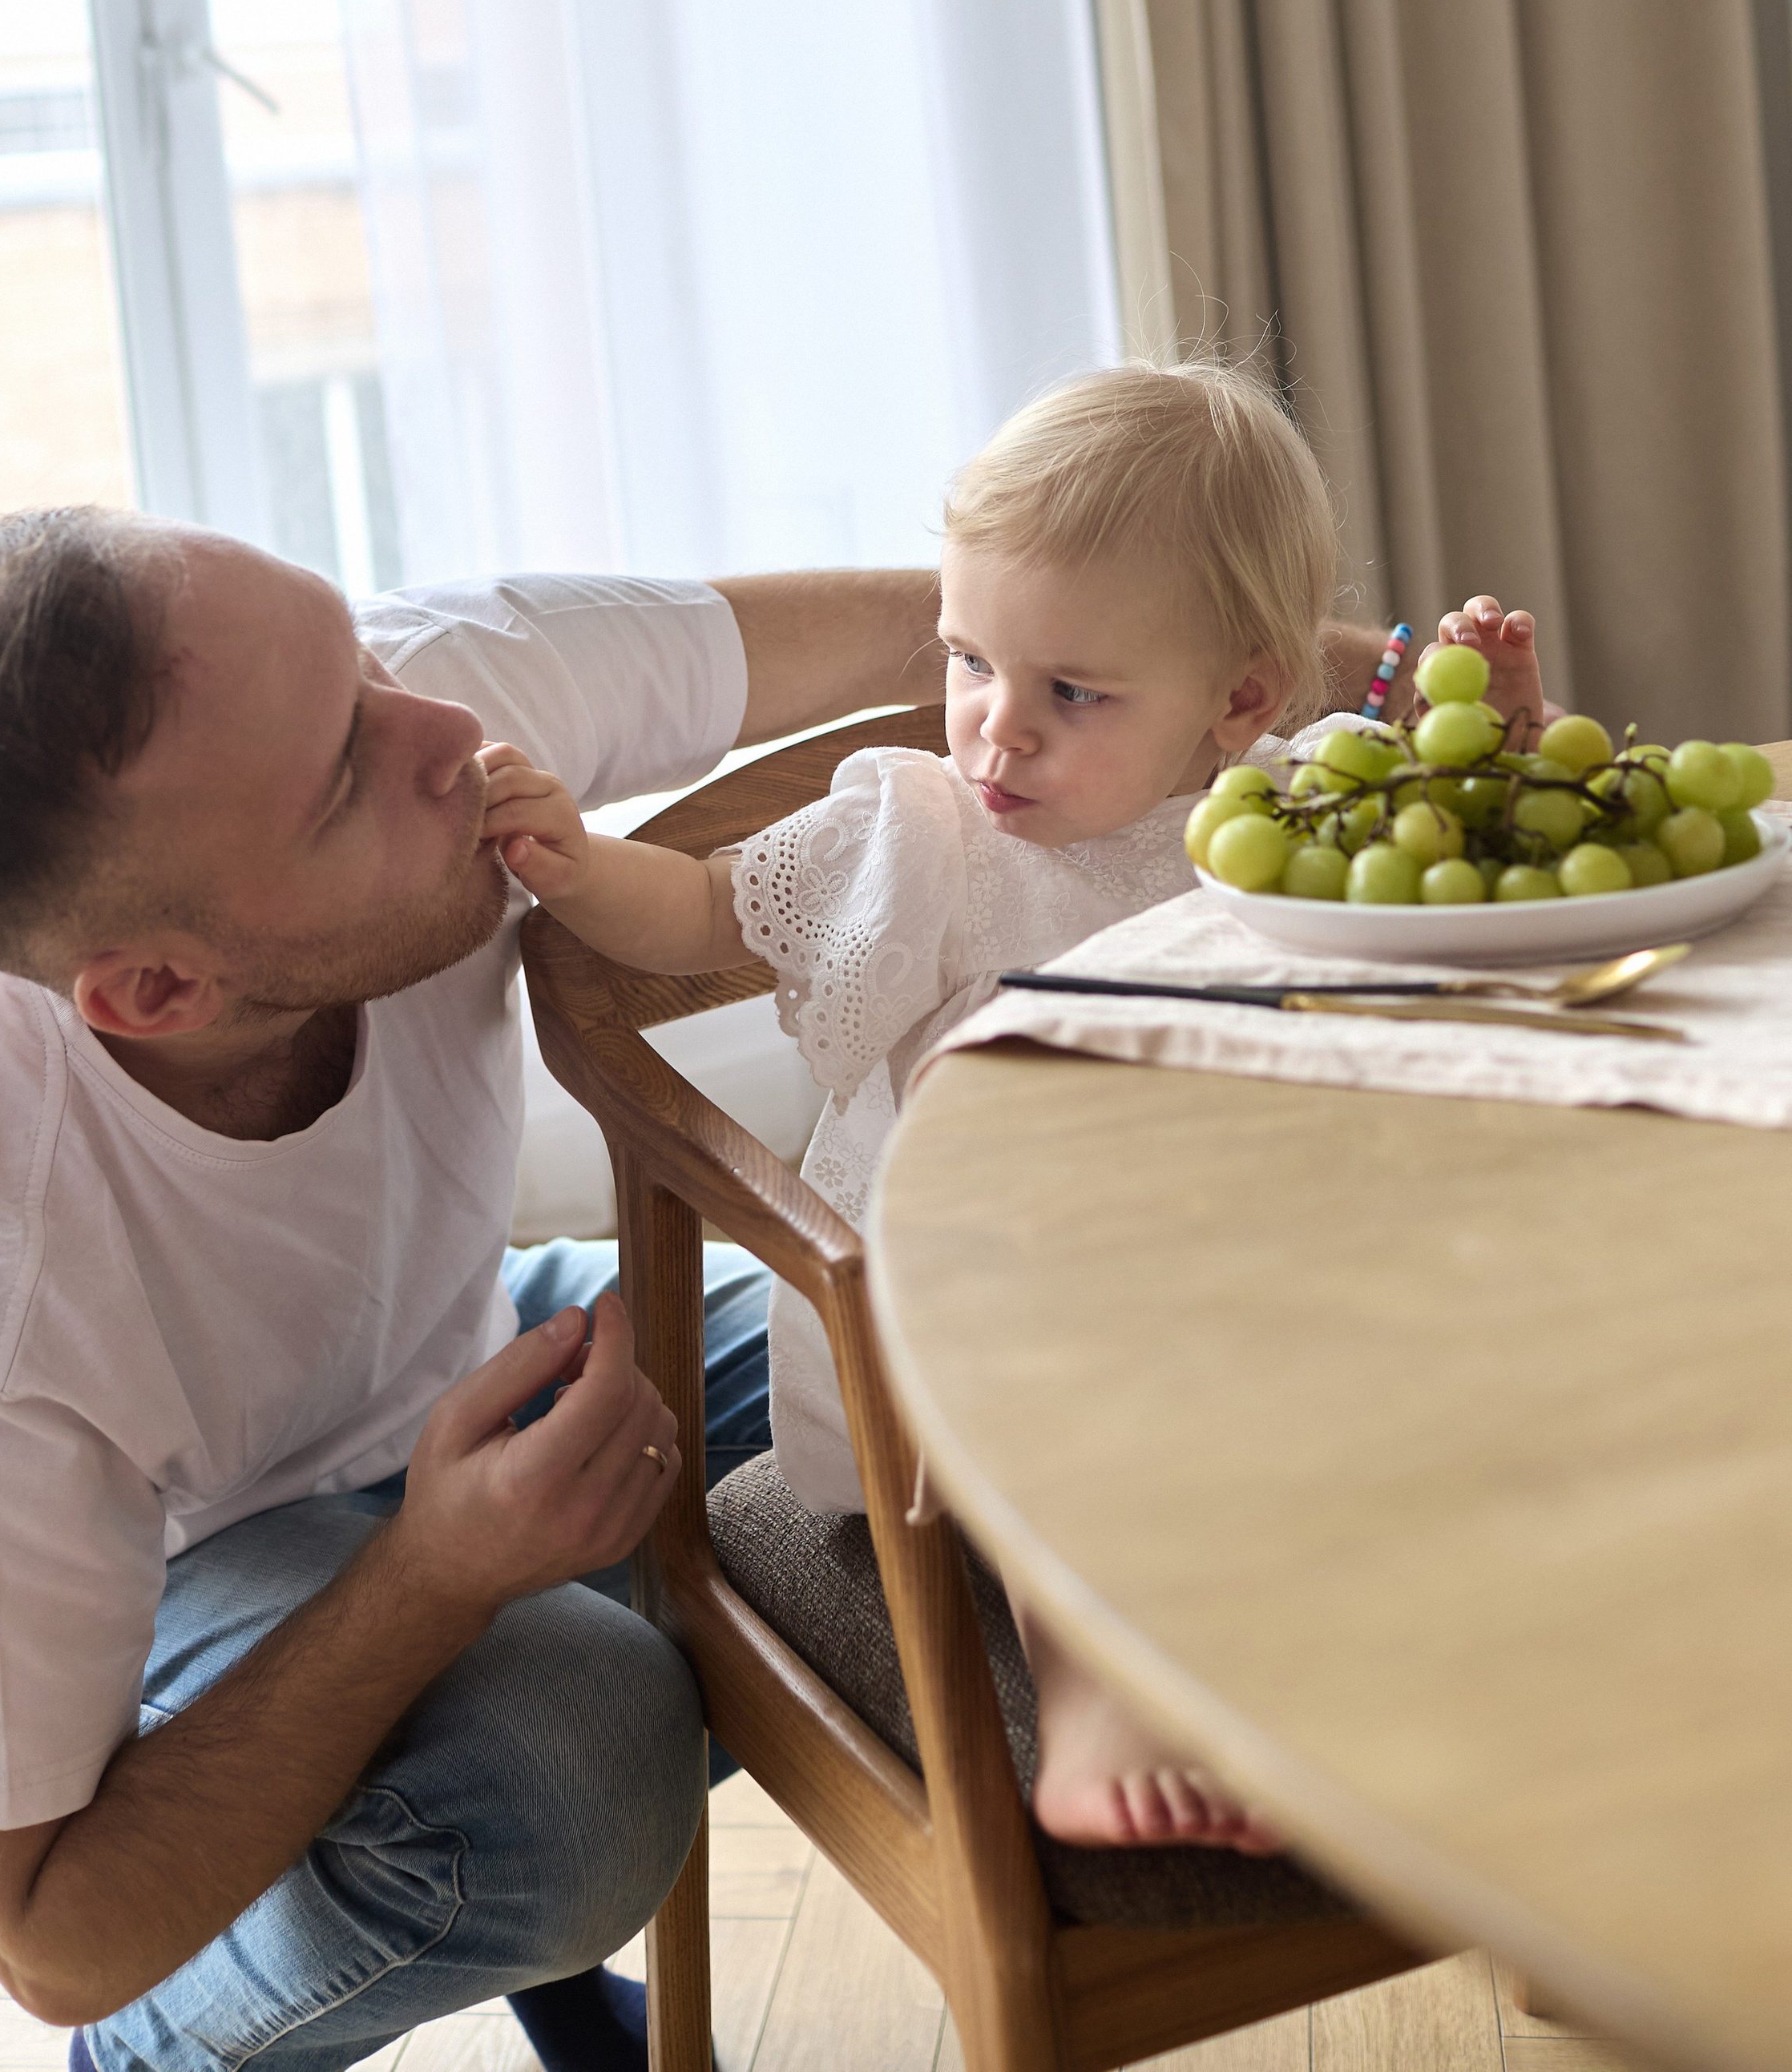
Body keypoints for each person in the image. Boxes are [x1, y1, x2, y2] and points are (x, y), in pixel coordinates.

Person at [0, 503, 1412, 2072]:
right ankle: (220, 2033)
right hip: (201, 1559)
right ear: (156, 988)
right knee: (573, 1774)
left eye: (359, 655)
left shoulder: (413, 704)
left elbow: (990, 613)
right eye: (347, 771)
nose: (444, 727)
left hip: (484, 1335)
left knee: (988, 1330)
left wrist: (1384, 681)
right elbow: (50, 1941)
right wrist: (434, 1575)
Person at [480, 365, 1547, 1861]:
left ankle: (1365, 1654)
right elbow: (713, 905)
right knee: (1094, 1384)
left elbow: (1476, 847)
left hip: (1254, 1273)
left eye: (1072, 693)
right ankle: (1093, 1699)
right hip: (972, 1301)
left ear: (1239, 699)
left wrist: (1497, 721)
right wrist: (584, 867)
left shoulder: (1304, 812)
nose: (996, 732)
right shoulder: (925, 837)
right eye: (970, 661)